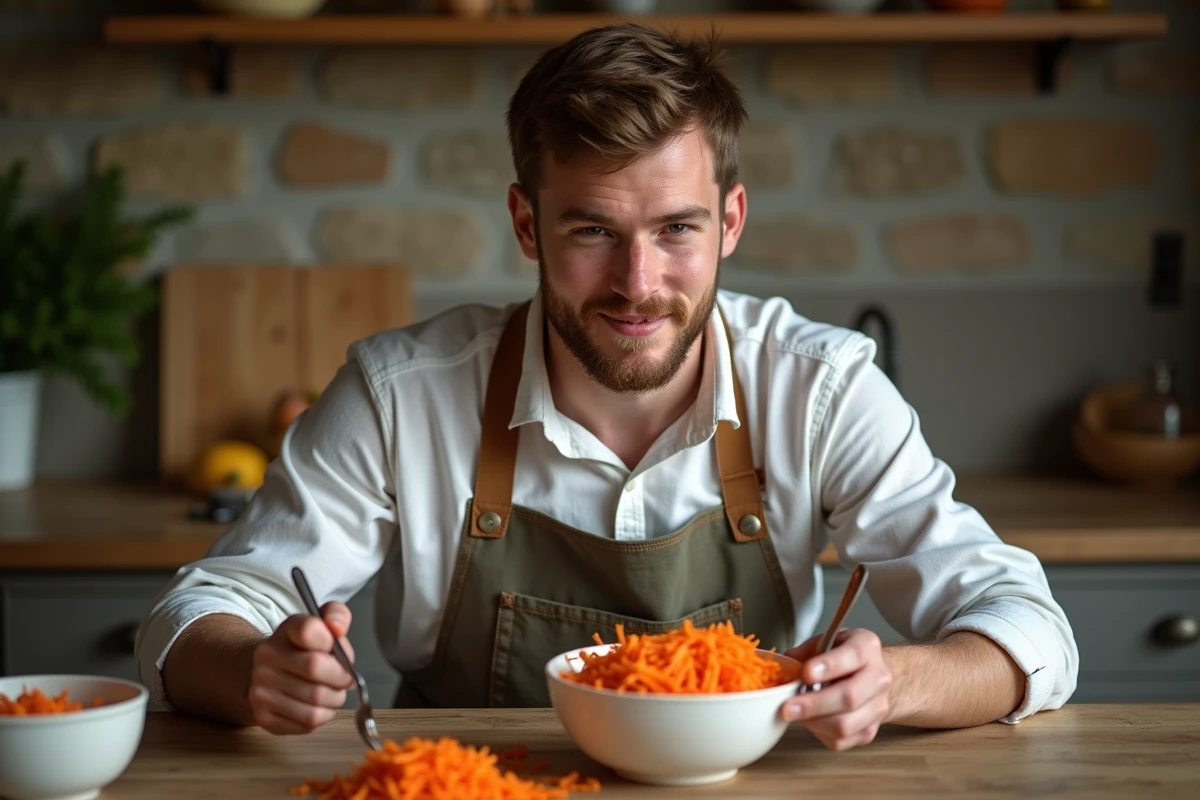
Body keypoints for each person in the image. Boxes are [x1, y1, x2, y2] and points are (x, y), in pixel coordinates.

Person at [135, 23, 1078, 753]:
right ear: (527, 221)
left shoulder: (818, 387)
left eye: (677, 230)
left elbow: (1029, 627)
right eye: (592, 231)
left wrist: (896, 683)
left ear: (732, 221)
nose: (638, 283)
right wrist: (255, 668)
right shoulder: (399, 395)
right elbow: (192, 615)